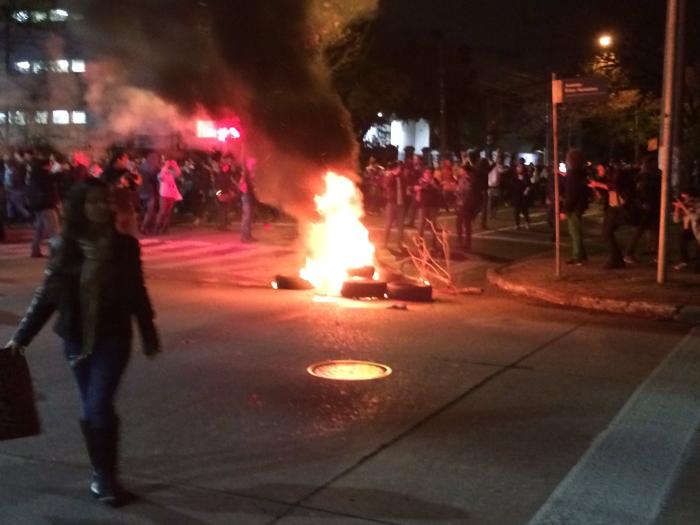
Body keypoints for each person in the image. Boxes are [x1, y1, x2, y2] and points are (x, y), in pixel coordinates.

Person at [3, 177, 160, 505]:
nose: (102, 207)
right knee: (93, 407)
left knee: (97, 404)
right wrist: (21, 337)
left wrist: (148, 330)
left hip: (113, 339)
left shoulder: (125, 247)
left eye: (105, 201)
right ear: (80, 207)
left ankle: (105, 478)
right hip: (75, 339)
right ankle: (101, 470)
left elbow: (137, 291)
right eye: (94, 202)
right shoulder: (63, 246)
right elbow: (48, 295)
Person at [589, 164, 627, 269]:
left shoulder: (615, 175)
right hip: (611, 206)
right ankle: (617, 258)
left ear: (606, 168)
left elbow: (613, 187)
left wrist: (598, 184)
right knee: (606, 232)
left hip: (617, 206)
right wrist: (595, 187)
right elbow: (602, 195)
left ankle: (616, 259)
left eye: (600, 169)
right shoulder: (606, 177)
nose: (599, 171)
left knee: (607, 232)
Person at [625, 156, 661, 263]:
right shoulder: (644, 177)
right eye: (653, 163)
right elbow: (641, 191)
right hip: (647, 207)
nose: (655, 165)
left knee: (655, 231)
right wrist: (643, 203)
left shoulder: (654, 175)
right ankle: (629, 253)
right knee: (641, 230)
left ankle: (657, 254)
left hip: (654, 206)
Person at [25, 156, 61, 258]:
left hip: (38, 206)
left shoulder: (34, 175)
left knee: (39, 229)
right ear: (46, 166)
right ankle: (57, 252)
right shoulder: (44, 176)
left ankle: (35, 250)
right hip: (47, 205)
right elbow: (54, 182)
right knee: (54, 230)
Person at [560, 149, 589, 265]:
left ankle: (578, 257)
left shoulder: (573, 175)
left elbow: (572, 194)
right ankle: (582, 254)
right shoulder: (581, 173)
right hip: (579, 205)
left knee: (575, 232)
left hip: (574, 207)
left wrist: (564, 209)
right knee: (575, 231)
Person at [672, 187, 700, 272]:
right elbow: (676, 220)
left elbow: (695, 217)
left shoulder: (698, 204)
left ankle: (697, 265)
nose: (685, 200)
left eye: (686, 197)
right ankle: (684, 260)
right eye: (683, 198)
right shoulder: (686, 205)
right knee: (681, 236)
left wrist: (684, 207)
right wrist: (677, 208)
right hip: (691, 229)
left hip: (698, 229)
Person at [154, 159, 182, 235]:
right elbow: (161, 177)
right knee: (162, 212)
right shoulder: (161, 174)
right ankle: (156, 228)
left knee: (168, 213)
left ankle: (164, 229)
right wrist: (165, 166)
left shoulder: (171, 173)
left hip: (171, 195)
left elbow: (178, 173)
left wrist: (175, 164)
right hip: (164, 195)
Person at [382, 161, 406, 249]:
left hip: (401, 204)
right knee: (388, 224)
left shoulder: (401, 177)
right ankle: (385, 243)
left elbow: (404, 187)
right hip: (392, 204)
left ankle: (399, 244)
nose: (400, 169)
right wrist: (393, 174)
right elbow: (386, 184)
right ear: (395, 168)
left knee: (400, 225)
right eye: (399, 167)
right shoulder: (389, 176)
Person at [239, 157, 257, 242]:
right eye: (252, 164)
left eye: (254, 164)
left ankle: (248, 235)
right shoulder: (245, 174)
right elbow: (241, 185)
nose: (253, 165)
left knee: (249, 217)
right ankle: (244, 237)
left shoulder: (252, 173)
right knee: (247, 216)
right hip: (247, 196)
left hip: (251, 196)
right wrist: (244, 189)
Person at [511, 163, 532, 230]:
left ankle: (527, 223)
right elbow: (512, 184)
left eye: (521, 167)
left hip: (523, 195)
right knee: (517, 211)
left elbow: (529, 185)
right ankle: (517, 224)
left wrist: (526, 190)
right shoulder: (514, 176)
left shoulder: (526, 176)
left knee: (524, 210)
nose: (519, 168)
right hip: (516, 195)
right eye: (518, 167)